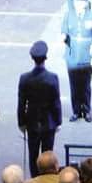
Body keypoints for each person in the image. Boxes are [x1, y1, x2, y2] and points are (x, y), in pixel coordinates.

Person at [19, 42, 63, 170]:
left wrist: (21, 122)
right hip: (49, 122)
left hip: (32, 122)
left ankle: (34, 179)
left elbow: (21, 103)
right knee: (47, 157)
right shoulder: (52, 78)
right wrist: (58, 121)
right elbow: (56, 102)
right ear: (45, 57)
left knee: (33, 156)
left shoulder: (24, 78)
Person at [63, 0, 92, 121]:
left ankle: (87, 110)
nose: (78, 4)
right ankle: (76, 111)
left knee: (86, 86)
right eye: (76, 2)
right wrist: (63, 36)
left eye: (81, 2)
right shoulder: (69, 15)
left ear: (86, 3)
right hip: (72, 56)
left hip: (86, 57)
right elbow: (64, 30)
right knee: (74, 86)